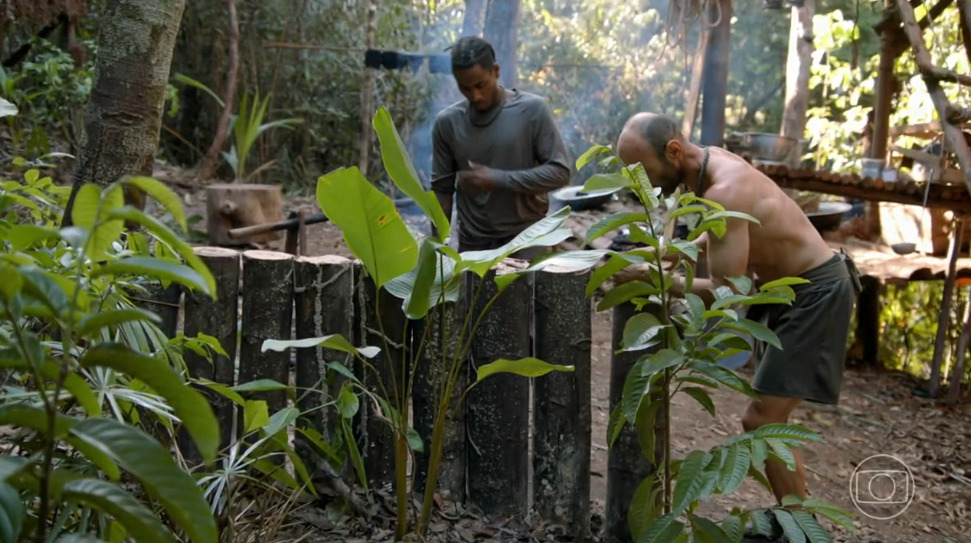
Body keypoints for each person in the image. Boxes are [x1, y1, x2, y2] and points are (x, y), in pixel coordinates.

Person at [612, 112, 862, 538]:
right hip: (791, 291)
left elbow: (729, 292)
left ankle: (799, 527)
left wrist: (660, 280)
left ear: (673, 151)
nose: (646, 184)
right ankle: (792, 521)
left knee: (761, 421)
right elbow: (720, 232)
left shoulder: (725, 190)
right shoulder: (712, 161)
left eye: (646, 172)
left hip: (816, 295)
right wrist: (675, 254)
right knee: (766, 421)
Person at [430, 36, 571, 254]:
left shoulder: (532, 111)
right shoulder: (448, 123)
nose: (475, 95)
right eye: (465, 88)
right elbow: (441, 190)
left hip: (528, 240)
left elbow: (560, 173)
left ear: (495, 71)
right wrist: (438, 250)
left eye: (480, 85)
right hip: (473, 247)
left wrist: (498, 179)